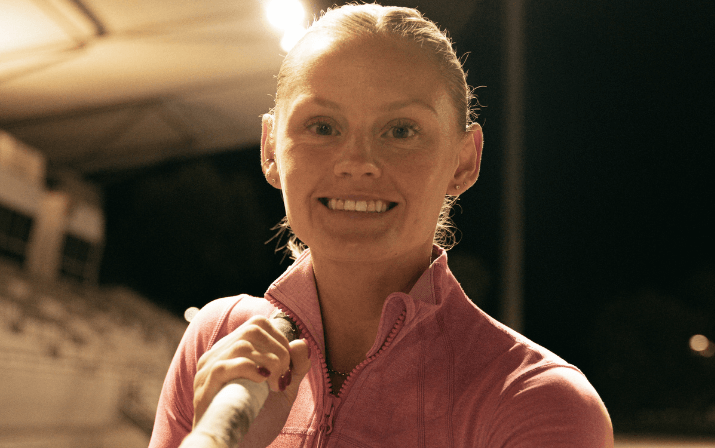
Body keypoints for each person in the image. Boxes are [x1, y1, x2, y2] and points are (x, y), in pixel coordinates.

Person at [149, 4, 614, 447]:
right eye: (323, 127)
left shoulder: (537, 402)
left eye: (401, 130)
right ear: (271, 149)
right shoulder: (217, 341)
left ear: (464, 160)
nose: (358, 163)